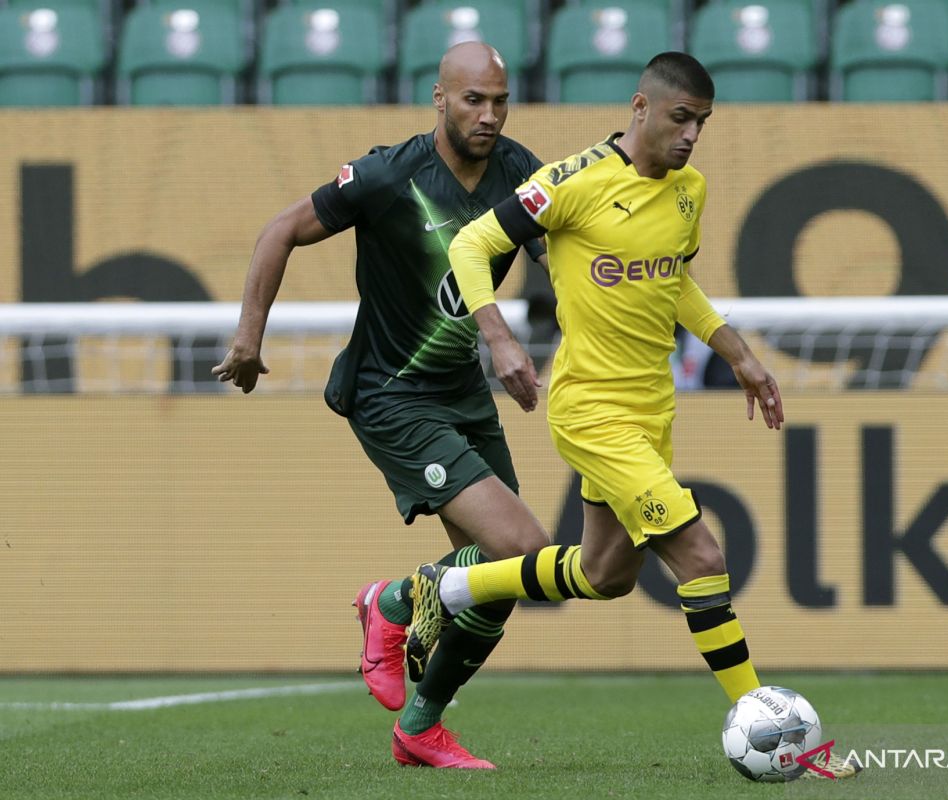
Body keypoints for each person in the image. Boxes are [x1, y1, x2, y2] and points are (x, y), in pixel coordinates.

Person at [406, 51, 861, 779]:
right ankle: (781, 736)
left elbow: (671, 276)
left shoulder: (689, 191)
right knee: (703, 559)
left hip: (653, 410)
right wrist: (498, 336)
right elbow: (470, 243)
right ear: (640, 108)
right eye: (681, 118)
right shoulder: (570, 183)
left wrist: (735, 350)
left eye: (702, 124)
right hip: (590, 410)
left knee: (606, 571)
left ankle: (446, 586)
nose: (691, 136)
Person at [211, 42, 551, 770]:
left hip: (463, 392)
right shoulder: (388, 175)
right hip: (391, 394)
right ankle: (393, 601)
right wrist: (247, 340)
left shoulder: (521, 172)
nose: (488, 115)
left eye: (499, 101)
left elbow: (564, 255)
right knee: (522, 550)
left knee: (510, 571)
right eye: (473, 101)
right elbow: (281, 230)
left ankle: (420, 728)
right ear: (439, 99)